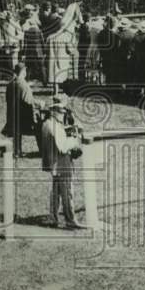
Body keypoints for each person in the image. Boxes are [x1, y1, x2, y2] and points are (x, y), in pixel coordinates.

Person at [39, 94, 84, 229]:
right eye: (60, 111)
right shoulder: (54, 126)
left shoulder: (48, 124)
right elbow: (63, 147)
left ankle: (53, 217)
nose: (62, 114)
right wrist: (75, 140)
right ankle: (70, 219)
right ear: (53, 111)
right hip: (62, 162)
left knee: (56, 192)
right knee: (67, 191)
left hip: (55, 164)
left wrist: (67, 130)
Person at [3, 62, 38, 159]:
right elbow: (29, 103)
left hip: (12, 115)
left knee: (17, 131)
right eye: (25, 70)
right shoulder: (24, 85)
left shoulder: (10, 84)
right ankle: (42, 151)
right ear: (23, 72)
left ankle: (17, 150)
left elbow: (7, 100)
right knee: (41, 125)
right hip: (24, 117)